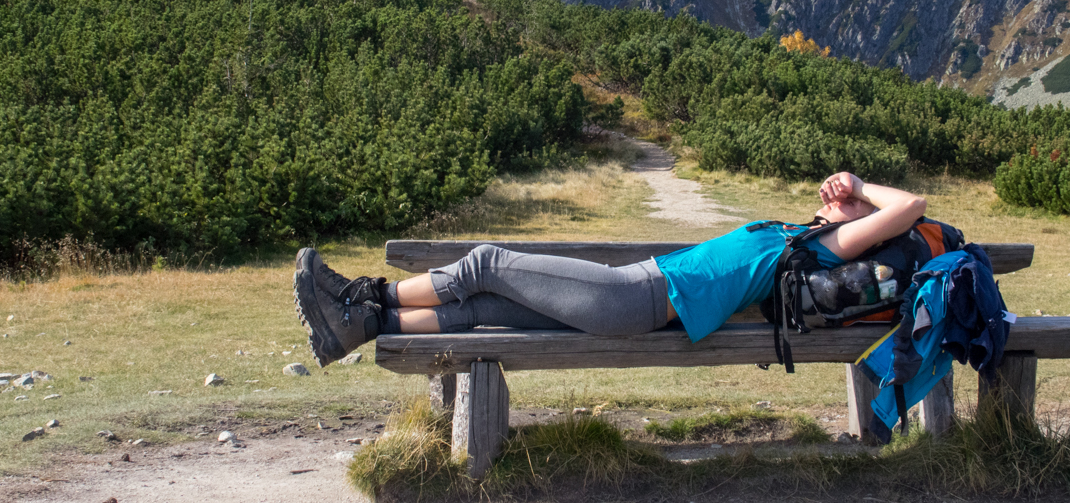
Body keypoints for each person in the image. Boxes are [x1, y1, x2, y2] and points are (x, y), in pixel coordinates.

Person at [293, 172, 927, 367]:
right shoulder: (802, 237)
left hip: (641, 299)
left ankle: (358, 296)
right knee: (480, 309)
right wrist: (841, 201)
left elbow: (914, 208)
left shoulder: (827, 248)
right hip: (644, 295)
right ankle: (366, 324)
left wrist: (865, 188)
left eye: (844, 200)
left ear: (862, 224)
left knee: (486, 263)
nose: (831, 193)